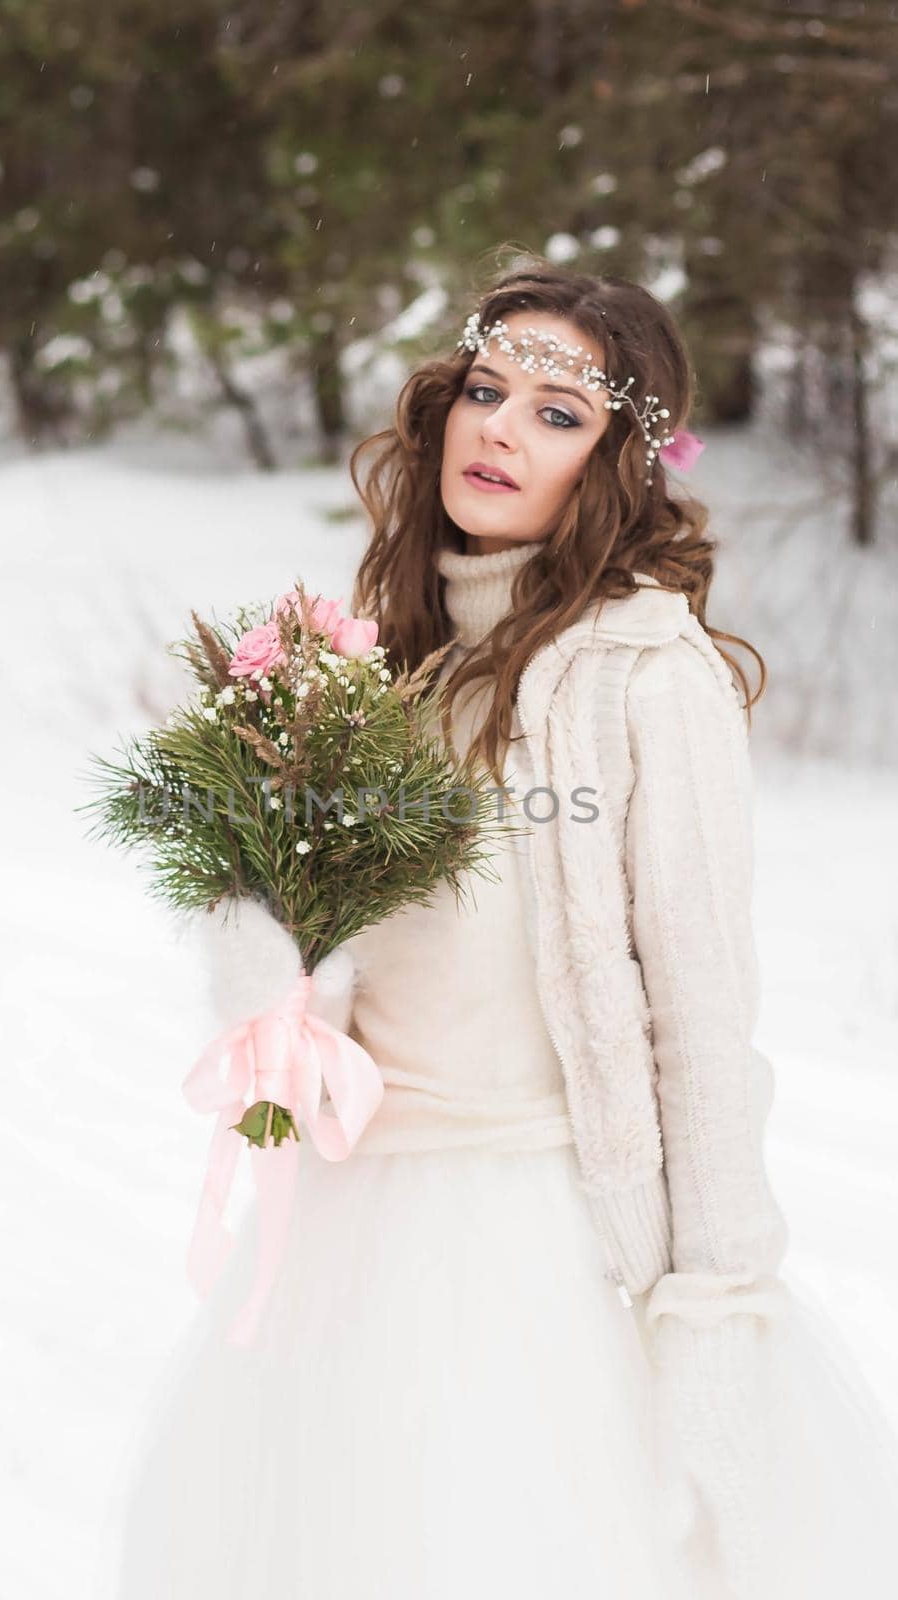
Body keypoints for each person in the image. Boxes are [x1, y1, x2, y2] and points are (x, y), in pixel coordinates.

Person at [104, 262, 898, 1599]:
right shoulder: (389, 674)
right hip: (355, 1230)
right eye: (488, 390)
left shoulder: (645, 676)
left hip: (539, 1236)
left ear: (617, 465)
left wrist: (717, 1302)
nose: (500, 429)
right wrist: (271, 964)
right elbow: (351, 977)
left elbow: (701, 1013)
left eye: (557, 412)